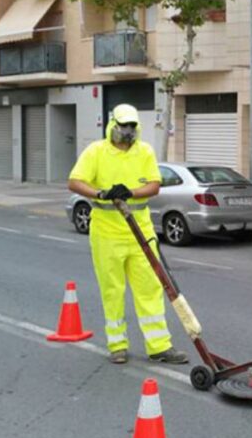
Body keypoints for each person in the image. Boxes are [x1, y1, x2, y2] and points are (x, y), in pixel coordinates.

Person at [68, 104, 188, 365]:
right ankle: (118, 345)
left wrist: (130, 192)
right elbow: (75, 181)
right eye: (124, 126)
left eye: (132, 126)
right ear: (113, 124)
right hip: (106, 233)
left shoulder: (144, 151)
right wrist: (100, 193)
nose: (128, 131)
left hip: (140, 232)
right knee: (112, 290)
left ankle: (159, 346)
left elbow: (154, 185)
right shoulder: (96, 152)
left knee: (151, 289)